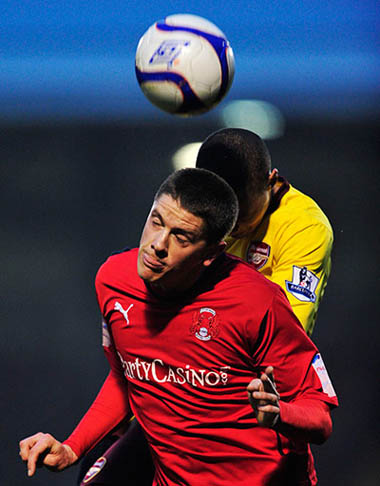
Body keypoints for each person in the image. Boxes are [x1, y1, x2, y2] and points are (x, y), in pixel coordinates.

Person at [19, 168, 337, 485]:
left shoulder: (259, 302)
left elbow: (320, 417)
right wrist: (72, 448)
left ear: (212, 253)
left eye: (181, 236)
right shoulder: (113, 281)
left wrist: (280, 413)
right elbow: (127, 377)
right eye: (156, 222)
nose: (158, 244)